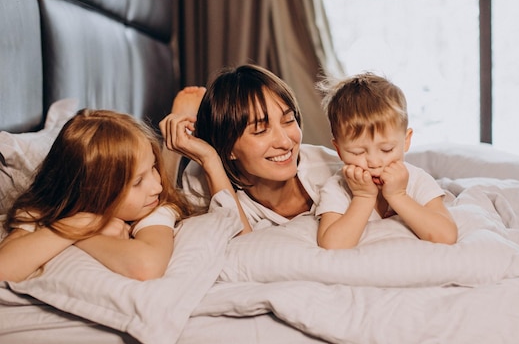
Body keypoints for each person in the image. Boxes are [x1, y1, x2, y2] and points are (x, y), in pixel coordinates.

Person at [0, 109, 192, 282]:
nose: (156, 187)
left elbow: (147, 266)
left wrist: (81, 235)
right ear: (92, 191)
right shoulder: (50, 210)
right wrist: (82, 223)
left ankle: (171, 151)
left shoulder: (154, 207)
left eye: (153, 168)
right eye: (137, 182)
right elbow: (4, 269)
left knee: (171, 187)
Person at [159, 64, 342, 233]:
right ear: (228, 147)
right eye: (261, 131)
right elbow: (157, 215)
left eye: (288, 120)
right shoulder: (204, 177)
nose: (285, 142)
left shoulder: (333, 170)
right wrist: (177, 147)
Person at [315, 72, 458, 249]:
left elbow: (446, 236)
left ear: (406, 140)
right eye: (357, 152)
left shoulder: (417, 180)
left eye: (386, 149)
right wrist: (363, 197)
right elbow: (332, 244)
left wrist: (398, 196)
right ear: (338, 150)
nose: (374, 162)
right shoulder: (337, 188)